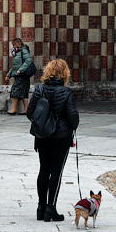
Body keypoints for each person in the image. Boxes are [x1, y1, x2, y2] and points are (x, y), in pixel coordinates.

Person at [27, 59, 79, 222]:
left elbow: (30, 112)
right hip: (60, 137)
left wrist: (43, 123)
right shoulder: (65, 92)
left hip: (42, 136)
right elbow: (72, 116)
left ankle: (41, 208)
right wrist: (72, 125)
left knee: (44, 169)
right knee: (56, 172)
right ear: (65, 73)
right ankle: (51, 208)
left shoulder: (39, 89)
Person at [6, 38, 32, 115]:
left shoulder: (24, 51)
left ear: (17, 44)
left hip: (22, 75)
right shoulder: (17, 52)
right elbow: (15, 66)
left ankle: (13, 109)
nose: (13, 46)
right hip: (18, 75)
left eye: (14, 45)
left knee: (14, 91)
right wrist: (8, 75)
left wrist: (20, 70)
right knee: (23, 92)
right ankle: (26, 110)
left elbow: (28, 60)